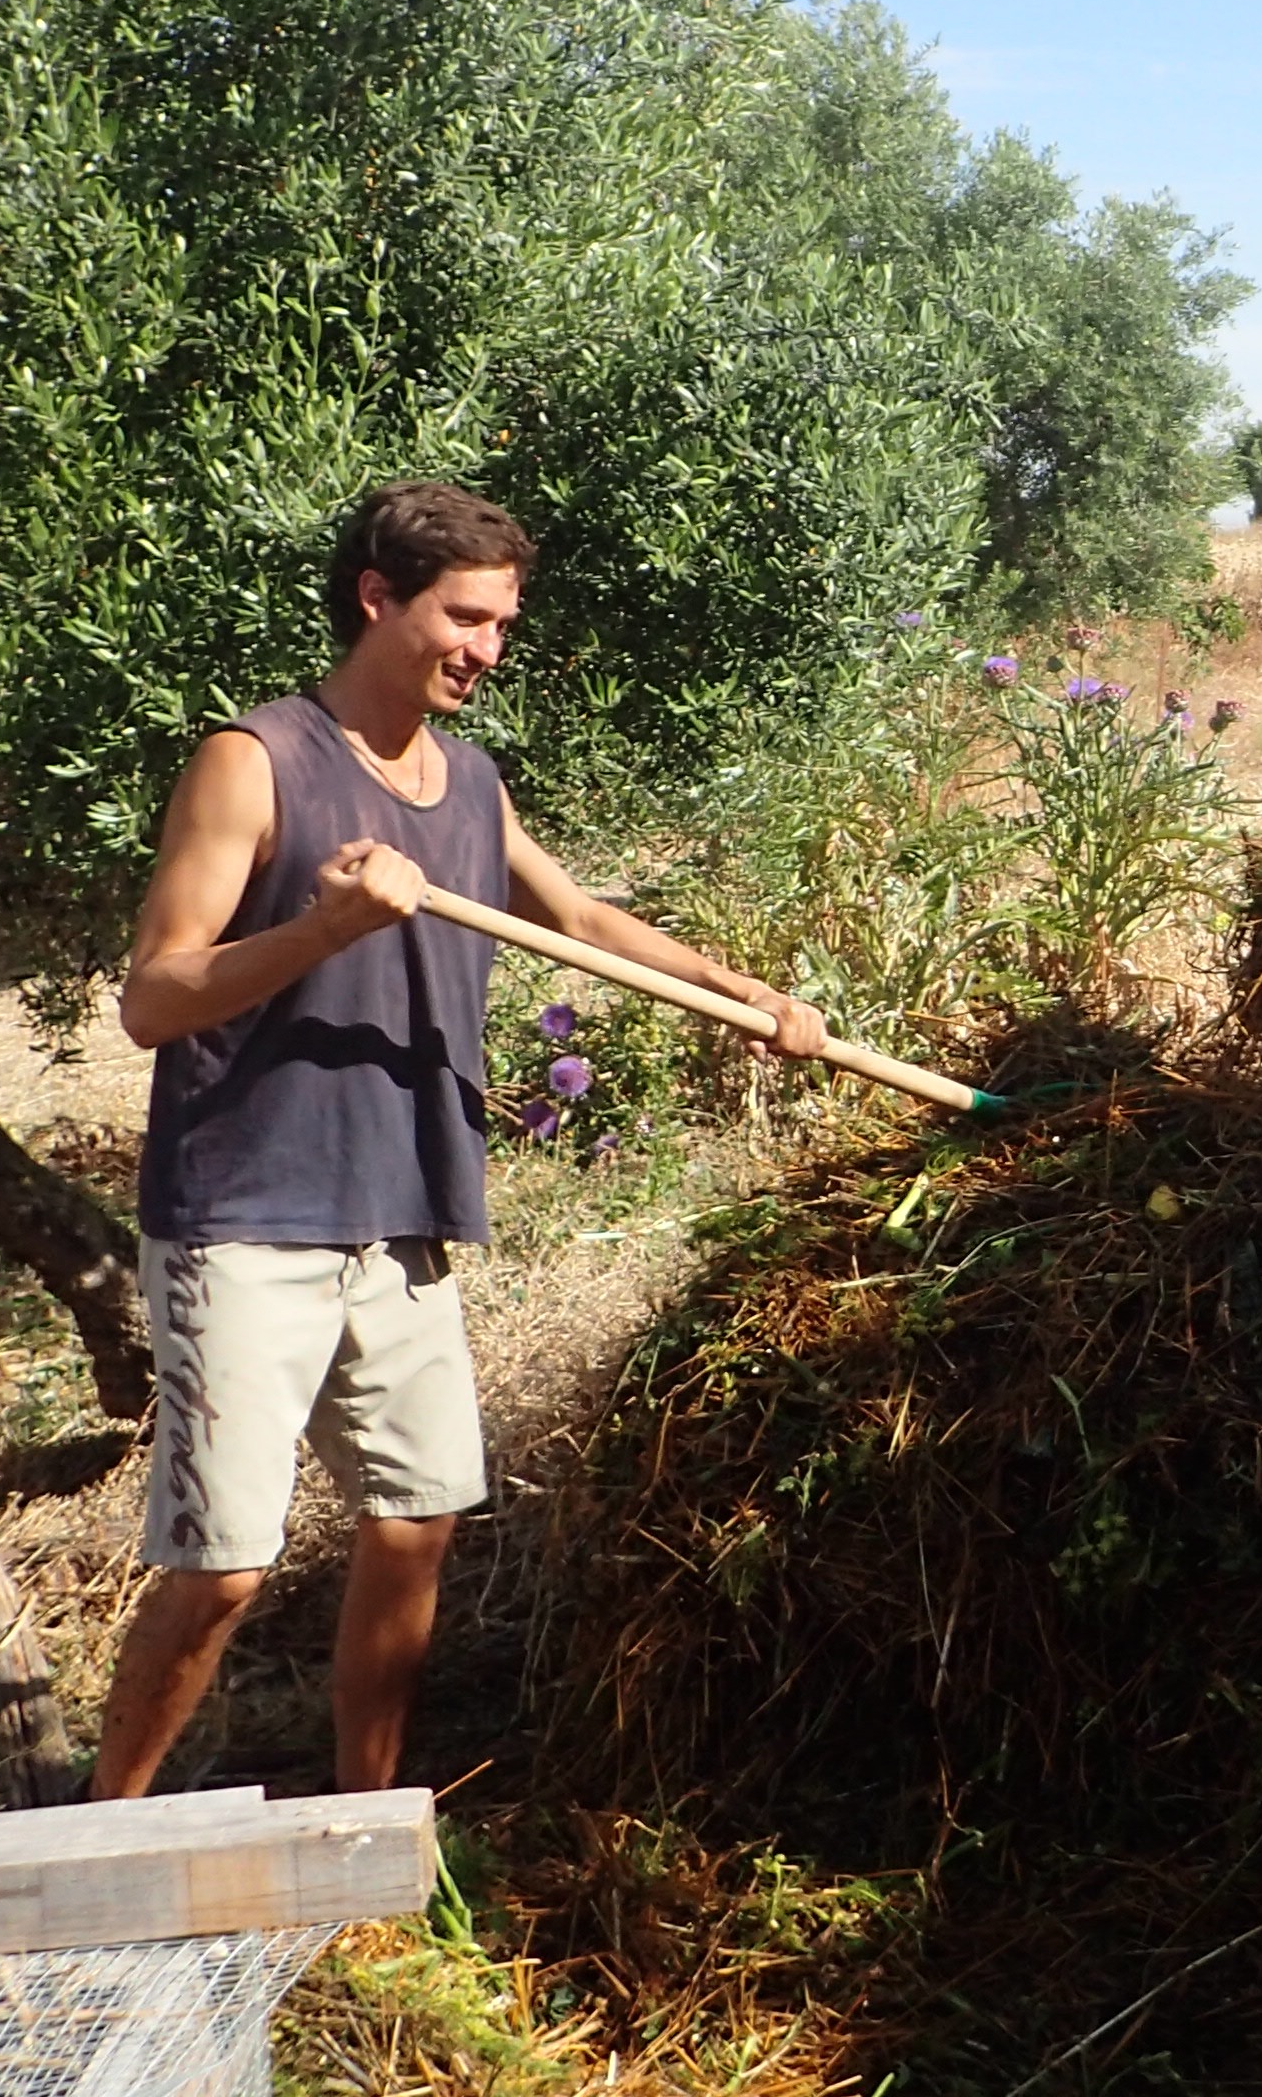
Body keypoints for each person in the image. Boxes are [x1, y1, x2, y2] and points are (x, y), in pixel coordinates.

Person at [90, 480, 827, 1800]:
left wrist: (747, 997)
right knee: (224, 1570)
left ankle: (367, 1826)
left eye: (501, 624)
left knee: (416, 1524)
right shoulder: (255, 761)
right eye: (466, 618)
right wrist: (321, 930)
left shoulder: (468, 783)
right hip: (247, 1218)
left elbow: (581, 922)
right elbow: (154, 998)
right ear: (379, 598)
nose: (488, 648)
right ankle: (97, 1839)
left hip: (405, 1211)